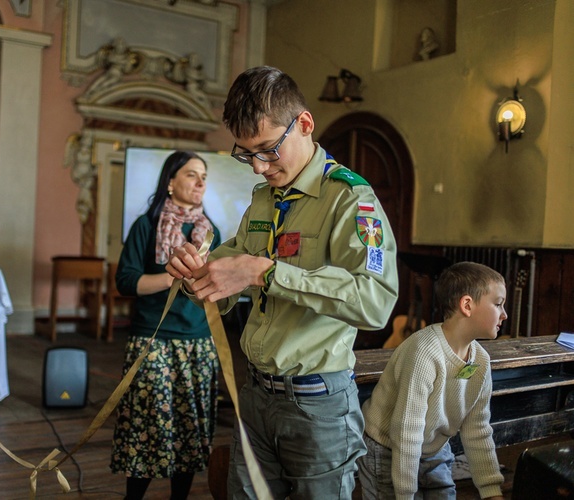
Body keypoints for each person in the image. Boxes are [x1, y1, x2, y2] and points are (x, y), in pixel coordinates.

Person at [166, 66, 399, 499]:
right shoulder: (264, 197)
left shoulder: (350, 198)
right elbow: (235, 258)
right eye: (246, 153)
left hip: (317, 407)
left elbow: (375, 302)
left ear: (304, 124)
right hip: (255, 394)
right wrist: (195, 271)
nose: (258, 166)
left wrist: (264, 273)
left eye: (268, 149)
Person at [110, 151, 222, 500]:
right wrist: (170, 277)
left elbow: (214, 286)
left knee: (189, 429)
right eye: (191, 174)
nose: (201, 182)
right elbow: (126, 282)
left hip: (198, 342)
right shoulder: (146, 225)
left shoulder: (210, 232)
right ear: (170, 182)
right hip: (153, 340)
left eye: (203, 175)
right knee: (147, 427)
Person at [358, 261, 506, 500]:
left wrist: (491, 492)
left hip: (433, 448)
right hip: (388, 448)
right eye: (498, 304)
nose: (504, 314)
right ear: (467, 305)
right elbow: (407, 430)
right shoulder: (424, 352)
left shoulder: (481, 360)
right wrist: (405, 495)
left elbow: (477, 428)